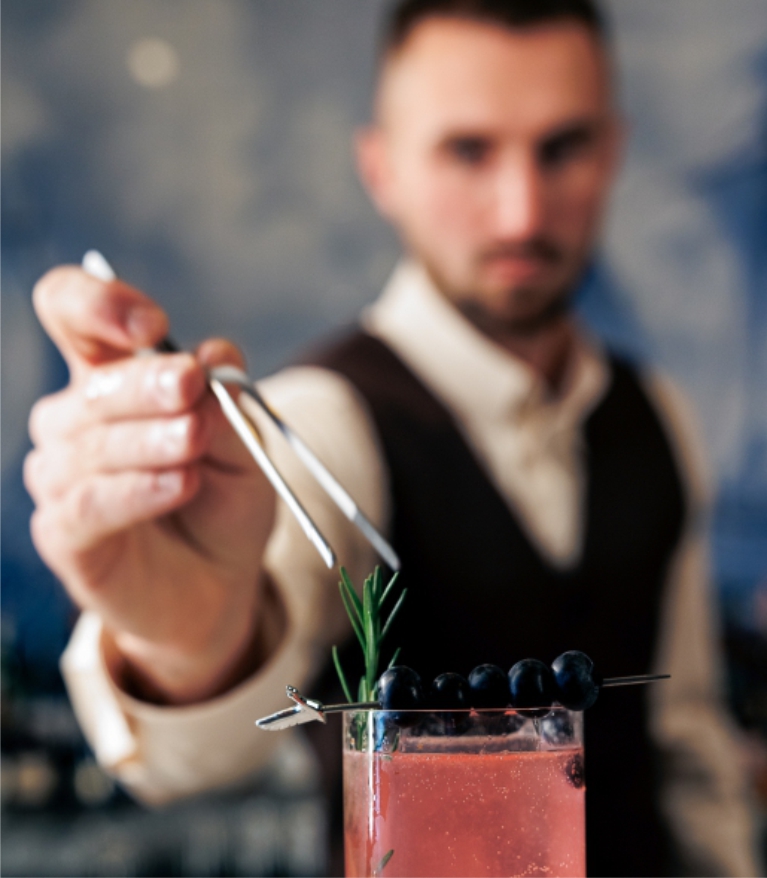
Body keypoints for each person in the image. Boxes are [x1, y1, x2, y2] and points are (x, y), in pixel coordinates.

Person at [25, 0, 758, 874]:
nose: (520, 211)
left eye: (561, 146)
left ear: (611, 152)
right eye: (467, 150)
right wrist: (191, 639)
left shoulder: (658, 414)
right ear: (381, 169)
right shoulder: (322, 423)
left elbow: (684, 742)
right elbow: (202, 741)